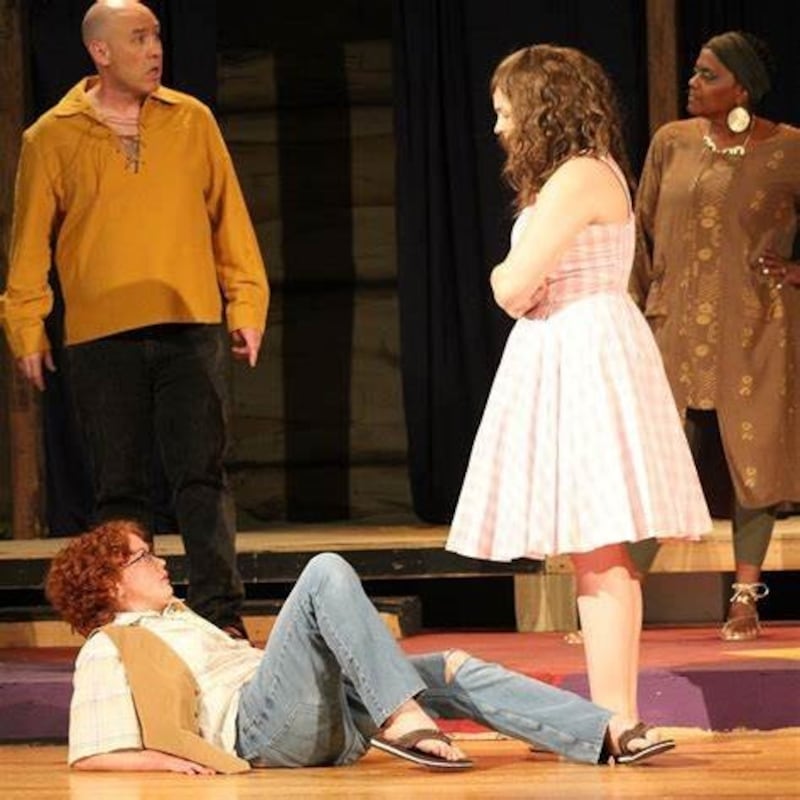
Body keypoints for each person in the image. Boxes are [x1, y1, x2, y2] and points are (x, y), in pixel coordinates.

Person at [446, 45, 712, 724]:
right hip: (571, 345)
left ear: (542, 108)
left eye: (507, 111)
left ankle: (618, 717)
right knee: (593, 549)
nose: (501, 128)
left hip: (584, 351)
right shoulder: (576, 177)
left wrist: (512, 281)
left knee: (601, 544)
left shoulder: (577, 178)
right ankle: (614, 716)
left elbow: (511, 285)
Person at [1, 0, 269, 637]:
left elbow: (228, 217)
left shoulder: (190, 120)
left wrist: (247, 301)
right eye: (139, 38)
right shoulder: (51, 136)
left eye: (156, 37)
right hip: (102, 337)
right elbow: (29, 243)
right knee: (119, 491)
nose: (155, 50)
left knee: (201, 477)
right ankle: (130, 623)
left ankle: (220, 618)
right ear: (100, 52)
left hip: (190, 324)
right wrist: (27, 326)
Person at [44, 520, 675, 774]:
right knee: (323, 569)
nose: (159, 563)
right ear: (109, 581)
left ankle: (606, 732)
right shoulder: (110, 644)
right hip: (261, 730)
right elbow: (90, 755)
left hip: (307, 712)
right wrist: (174, 765)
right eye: (142, 557)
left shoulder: (184, 617)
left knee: (448, 666)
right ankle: (402, 719)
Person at [629, 31, 800, 641]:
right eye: (695, 73)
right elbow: (639, 236)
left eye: (707, 75)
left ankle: (745, 598)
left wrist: (795, 272)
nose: (693, 83)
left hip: (755, 328)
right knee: (654, 457)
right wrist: (630, 315)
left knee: (750, 462)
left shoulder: (788, 151)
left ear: (742, 88)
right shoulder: (671, 143)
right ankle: (626, 597)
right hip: (669, 330)